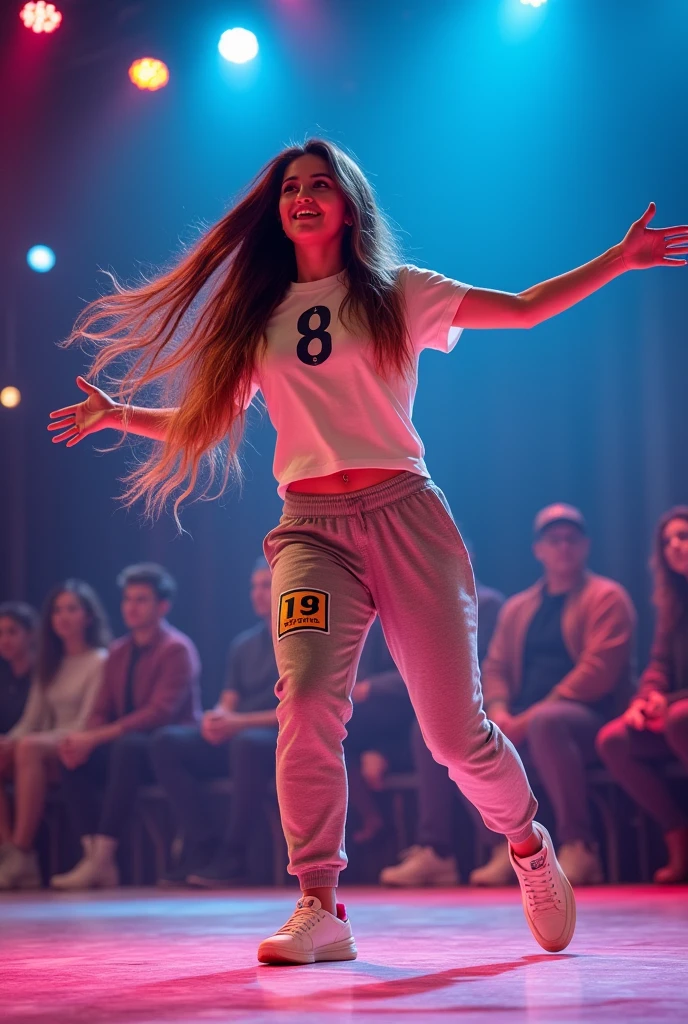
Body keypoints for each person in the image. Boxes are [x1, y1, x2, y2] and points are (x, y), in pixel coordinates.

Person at [48, 137, 686, 962]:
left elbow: (526, 307)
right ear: (278, 212)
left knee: (456, 737)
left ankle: (527, 842)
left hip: (406, 516)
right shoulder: (256, 320)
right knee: (307, 701)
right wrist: (118, 414)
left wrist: (620, 259)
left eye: (320, 185)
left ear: (348, 203)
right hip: (310, 530)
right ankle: (321, 903)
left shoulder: (400, 293)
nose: (303, 197)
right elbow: (207, 424)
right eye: (290, 190)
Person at [473, 505, 636, 887]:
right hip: (525, 717)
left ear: (585, 546)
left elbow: (597, 672)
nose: (563, 547)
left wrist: (528, 718)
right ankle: (505, 844)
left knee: (548, 722)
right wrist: (497, 712)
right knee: (470, 731)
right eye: (553, 540)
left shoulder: (607, 597)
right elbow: (494, 668)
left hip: (590, 715)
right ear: (539, 550)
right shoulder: (518, 608)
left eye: (571, 540)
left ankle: (580, 845)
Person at [50, 563, 201, 890]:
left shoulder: (176, 648)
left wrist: (99, 736)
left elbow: (159, 713)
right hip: (124, 751)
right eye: (127, 599)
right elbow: (101, 709)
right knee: (71, 753)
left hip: (167, 750)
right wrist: (85, 739)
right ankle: (93, 856)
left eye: (141, 600)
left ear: (162, 606)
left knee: (127, 745)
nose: (131, 607)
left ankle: (103, 857)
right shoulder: (118, 652)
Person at [151, 557, 279, 887]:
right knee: (167, 742)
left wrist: (237, 723)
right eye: (254, 586)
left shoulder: (298, 639)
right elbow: (228, 700)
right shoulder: (244, 645)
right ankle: (201, 843)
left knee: (246, 744)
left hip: (276, 737)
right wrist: (217, 718)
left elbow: (297, 708)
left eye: (266, 585)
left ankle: (235, 855)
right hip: (239, 735)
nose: (258, 593)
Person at [379, 558, 504, 885]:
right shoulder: (417, 606)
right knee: (422, 730)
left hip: (483, 702)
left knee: (450, 732)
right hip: (434, 708)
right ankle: (437, 852)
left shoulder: (487, 603)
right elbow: (414, 672)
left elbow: (484, 665)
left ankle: (503, 845)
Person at [597, 507, 688, 883]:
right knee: (614, 739)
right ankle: (678, 840)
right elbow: (659, 664)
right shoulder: (674, 602)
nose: (674, 546)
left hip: (680, 714)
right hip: (675, 712)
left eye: (682, 537)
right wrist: (645, 699)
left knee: (681, 718)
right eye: (667, 542)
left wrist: (668, 703)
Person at [0, 583, 109, 889]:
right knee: (12, 747)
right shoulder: (49, 663)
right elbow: (30, 720)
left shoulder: (99, 660)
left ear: (88, 616)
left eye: (71, 609)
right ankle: (12, 854)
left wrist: (26, 742)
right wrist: (8, 741)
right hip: (46, 743)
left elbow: (87, 722)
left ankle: (21, 851)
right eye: (57, 610)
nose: (63, 616)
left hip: (76, 741)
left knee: (29, 747)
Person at [344, 616, 415, 845]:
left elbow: (427, 673)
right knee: (330, 729)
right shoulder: (370, 621)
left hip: (413, 716)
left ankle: (374, 820)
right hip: (376, 723)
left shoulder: (421, 611)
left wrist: (373, 687)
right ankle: (372, 818)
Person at [0, 602, 38, 738]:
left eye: (12, 632)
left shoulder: (43, 675)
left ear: (30, 634)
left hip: (25, 745)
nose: (4, 640)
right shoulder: (4, 675)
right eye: (0, 633)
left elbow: (34, 723)